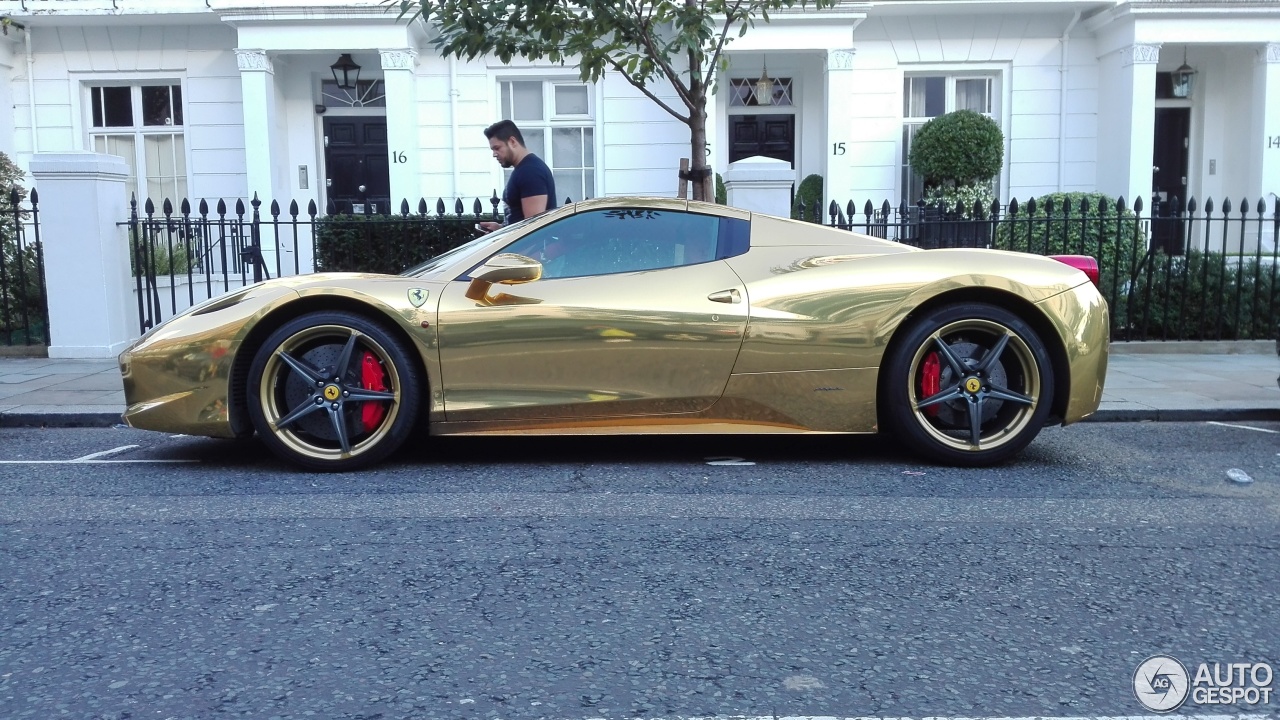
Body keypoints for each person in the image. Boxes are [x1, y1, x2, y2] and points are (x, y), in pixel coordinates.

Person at [477, 120, 557, 233]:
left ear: (512, 142)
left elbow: (533, 227)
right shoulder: (524, 169)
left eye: (497, 148)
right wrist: (500, 229)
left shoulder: (530, 172)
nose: (494, 154)